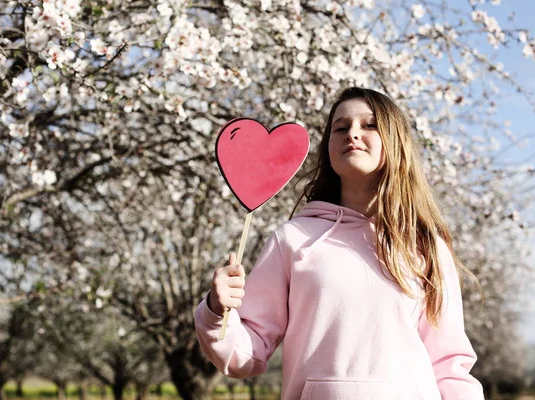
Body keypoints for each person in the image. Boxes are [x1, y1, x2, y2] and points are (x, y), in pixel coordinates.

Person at [195, 87, 484, 400]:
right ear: (328, 147)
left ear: (396, 142)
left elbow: (449, 365)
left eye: (369, 125)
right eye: (341, 128)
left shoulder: (426, 245)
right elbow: (244, 354)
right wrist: (216, 311)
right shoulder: (292, 240)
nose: (353, 134)